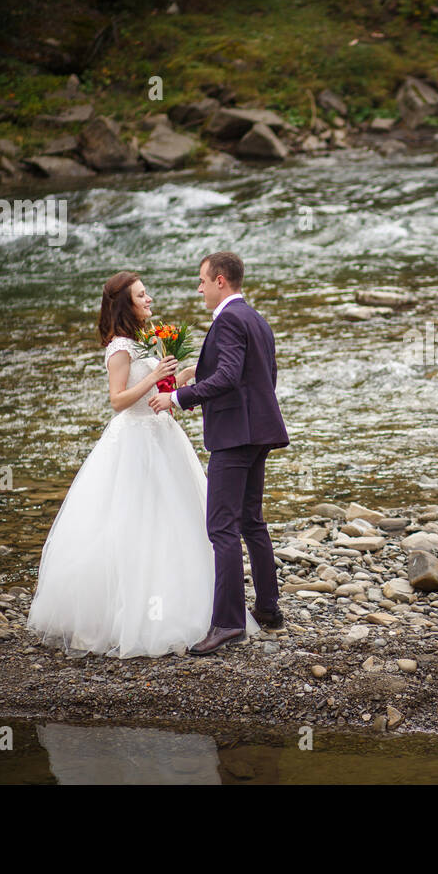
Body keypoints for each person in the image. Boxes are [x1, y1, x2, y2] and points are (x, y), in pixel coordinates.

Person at [27, 270, 255, 658]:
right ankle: (124, 617)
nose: (149, 300)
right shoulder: (119, 348)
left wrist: (181, 376)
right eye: (141, 295)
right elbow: (118, 400)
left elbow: (158, 391)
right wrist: (153, 376)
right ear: (125, 305)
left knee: (176, 518)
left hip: (162, 435)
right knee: (132, 522)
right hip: (133, 440)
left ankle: (197, 608)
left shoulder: (144, 342)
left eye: (147, 294)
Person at [148, 251, 289, 655]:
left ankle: (228, 624)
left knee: (221, 528)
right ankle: (268, 608)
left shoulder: (227, 320)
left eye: (203, 281)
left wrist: (178, 397)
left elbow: (229, 377)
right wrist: (200, 375)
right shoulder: (256, 319)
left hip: (234, 437)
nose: (200, 288)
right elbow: (263, 375)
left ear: (221, 281)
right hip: (259, 431)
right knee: (251, 521)